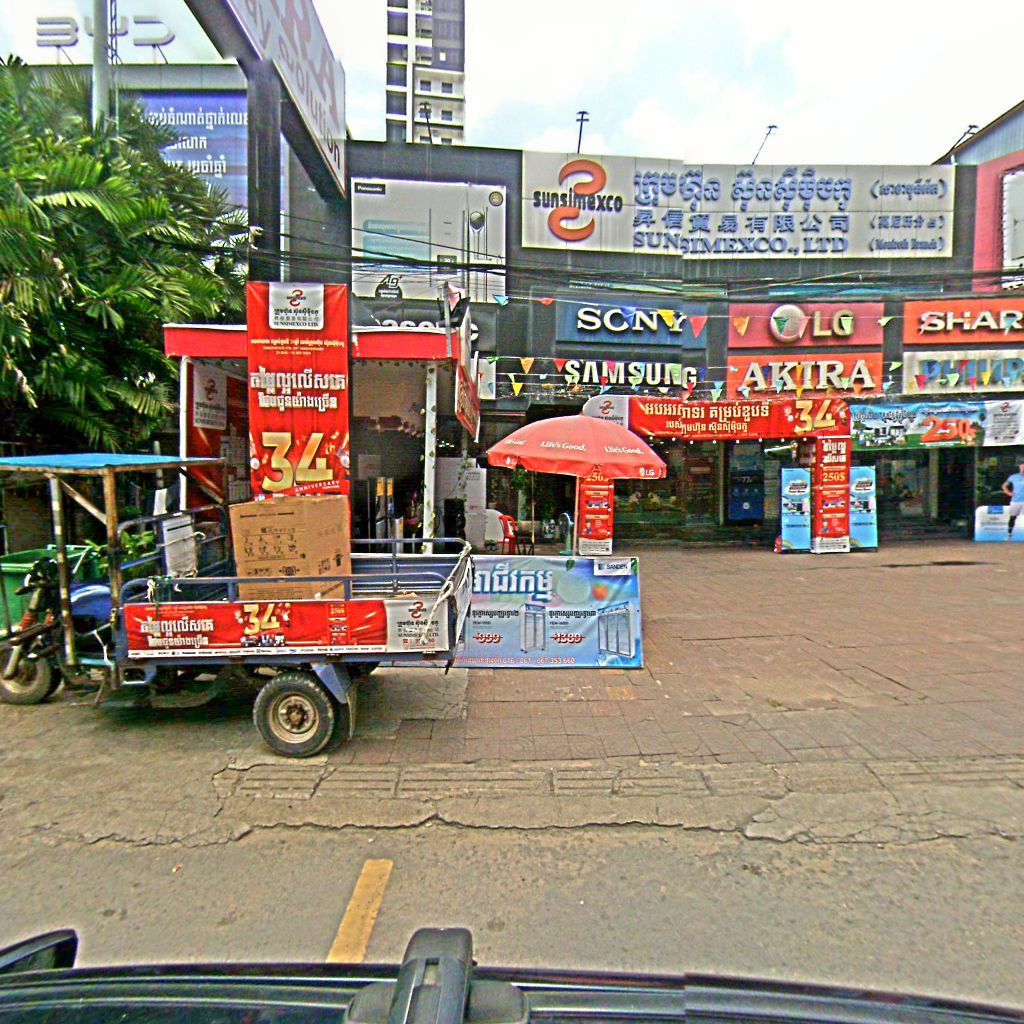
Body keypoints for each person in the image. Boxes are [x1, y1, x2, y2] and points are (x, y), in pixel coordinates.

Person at [1001, 461, 1024, 536]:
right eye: (1022, 467)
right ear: (1019, 467)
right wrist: (1009, 493)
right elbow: (1004, 486)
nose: (1023, 468)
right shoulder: (1013, 476)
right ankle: (1009, 533)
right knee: (1013, 517)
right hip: (1016, 500)